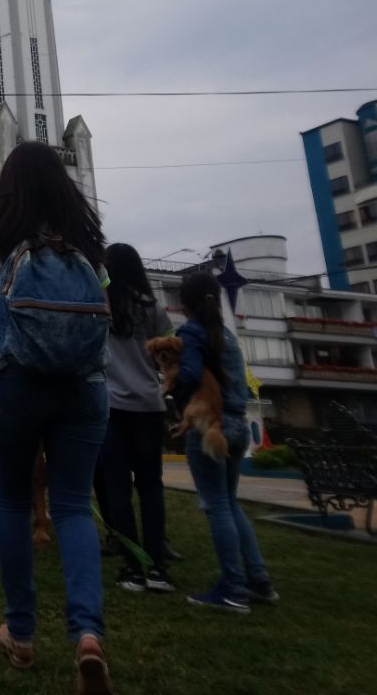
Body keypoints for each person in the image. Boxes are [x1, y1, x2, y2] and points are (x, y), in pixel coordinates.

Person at [0, 141, 112, 694]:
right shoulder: (85, 237)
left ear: (7, 182)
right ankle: (88, 635)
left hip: (13, 381)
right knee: (73, 506)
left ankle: (20, 632)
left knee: (15, 503)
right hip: (84, 385)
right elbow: (104, 308)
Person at [176, 271, 277, 613]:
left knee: (216, 505)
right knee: (230, 502)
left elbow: (188, 374)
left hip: (209, 426)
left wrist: (179, 402)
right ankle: (258, 578)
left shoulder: (191, 333)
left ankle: (233, 589)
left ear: (183, 303)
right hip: (238, 424)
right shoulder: (227, 336)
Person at [101, 242, 176, 594]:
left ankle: (133, 568)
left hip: (111, 406)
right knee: (151, 487)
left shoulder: (101, 306)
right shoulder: (152, 307)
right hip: (150, 404)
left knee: (117, 488)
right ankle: (158, 568)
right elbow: (172, 351)